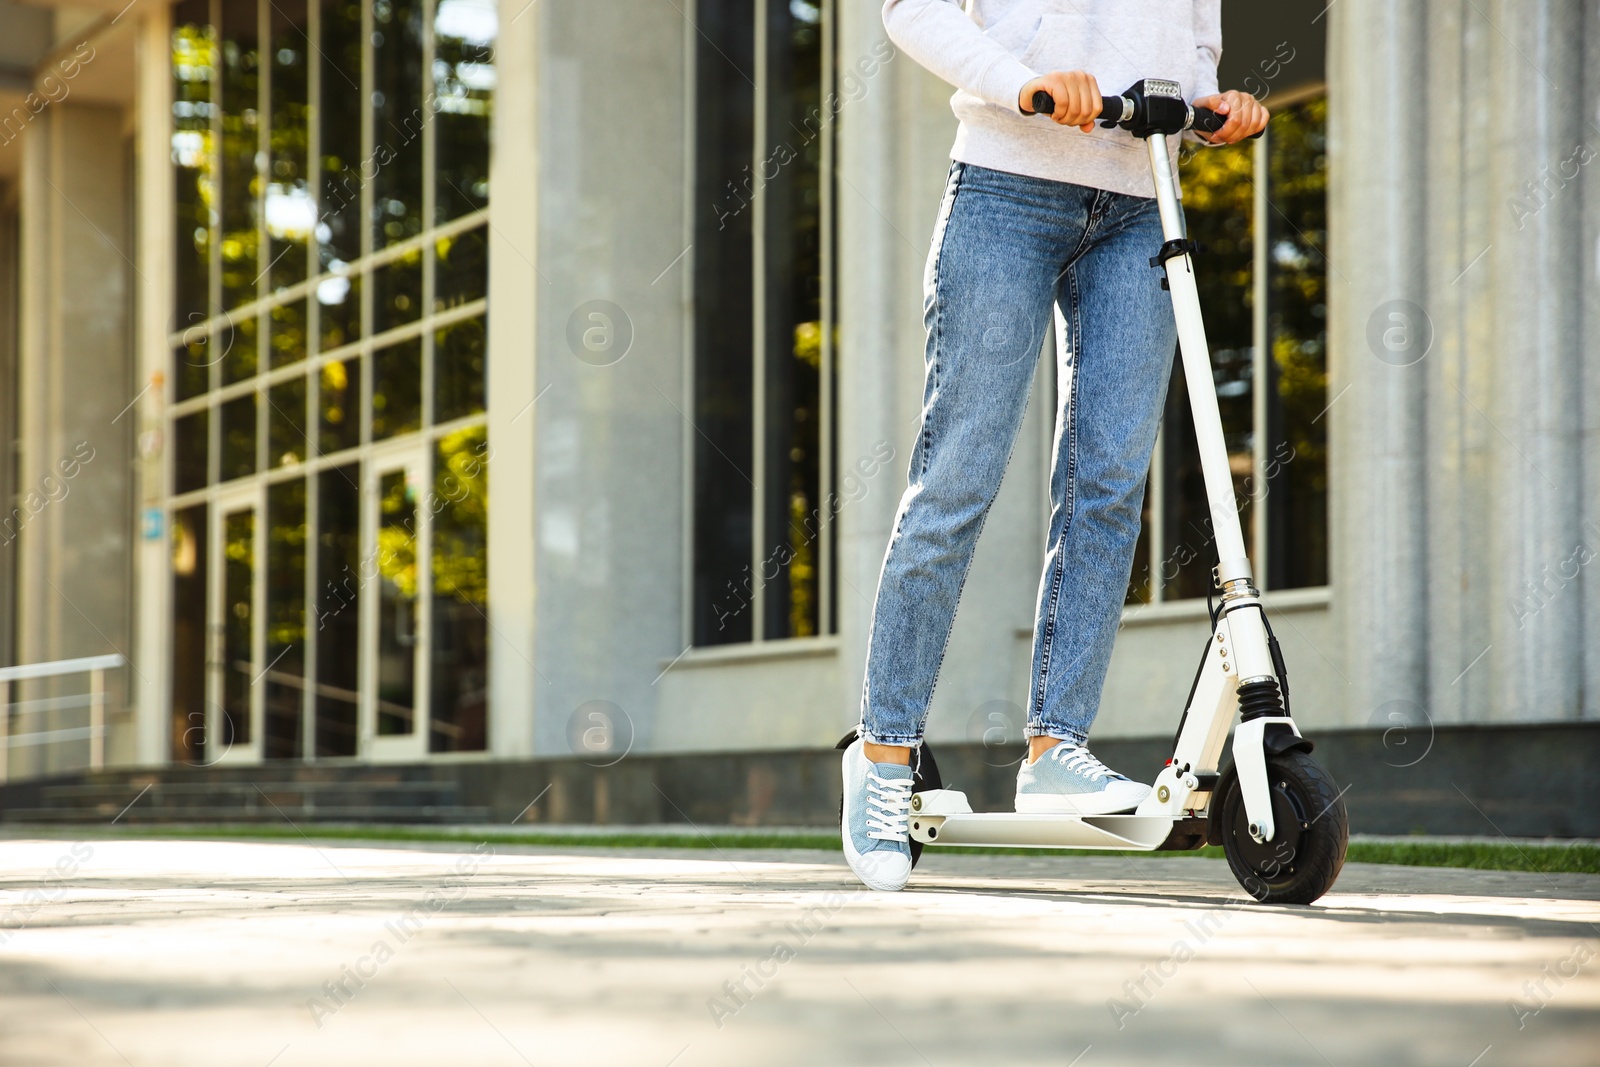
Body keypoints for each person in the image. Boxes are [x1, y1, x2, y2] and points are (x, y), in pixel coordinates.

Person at [841, 0, 1269, 892]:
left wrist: (1207, 105)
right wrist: (1024, 81)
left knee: (1108, 486)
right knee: (957, 479)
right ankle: (883, 758)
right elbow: (908, 11)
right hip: (1006, 186)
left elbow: (1188, 45)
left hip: (1142, 197)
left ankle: (1055, 745)